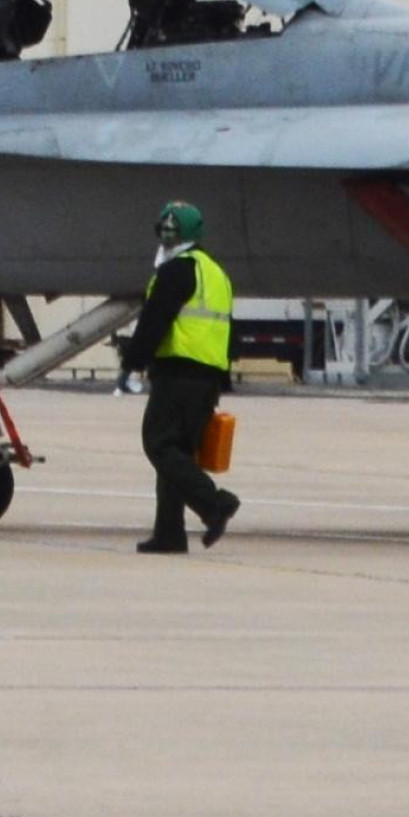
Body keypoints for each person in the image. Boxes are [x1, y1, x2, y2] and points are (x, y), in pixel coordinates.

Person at [121, 199, 240, 555]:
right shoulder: (215, 272)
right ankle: (169, 532)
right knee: (179, 452)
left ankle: (214, 503)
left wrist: (133, 359)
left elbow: (155, 319)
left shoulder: (175, 271)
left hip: (178, 372)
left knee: (158, 444)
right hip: (207, 376)